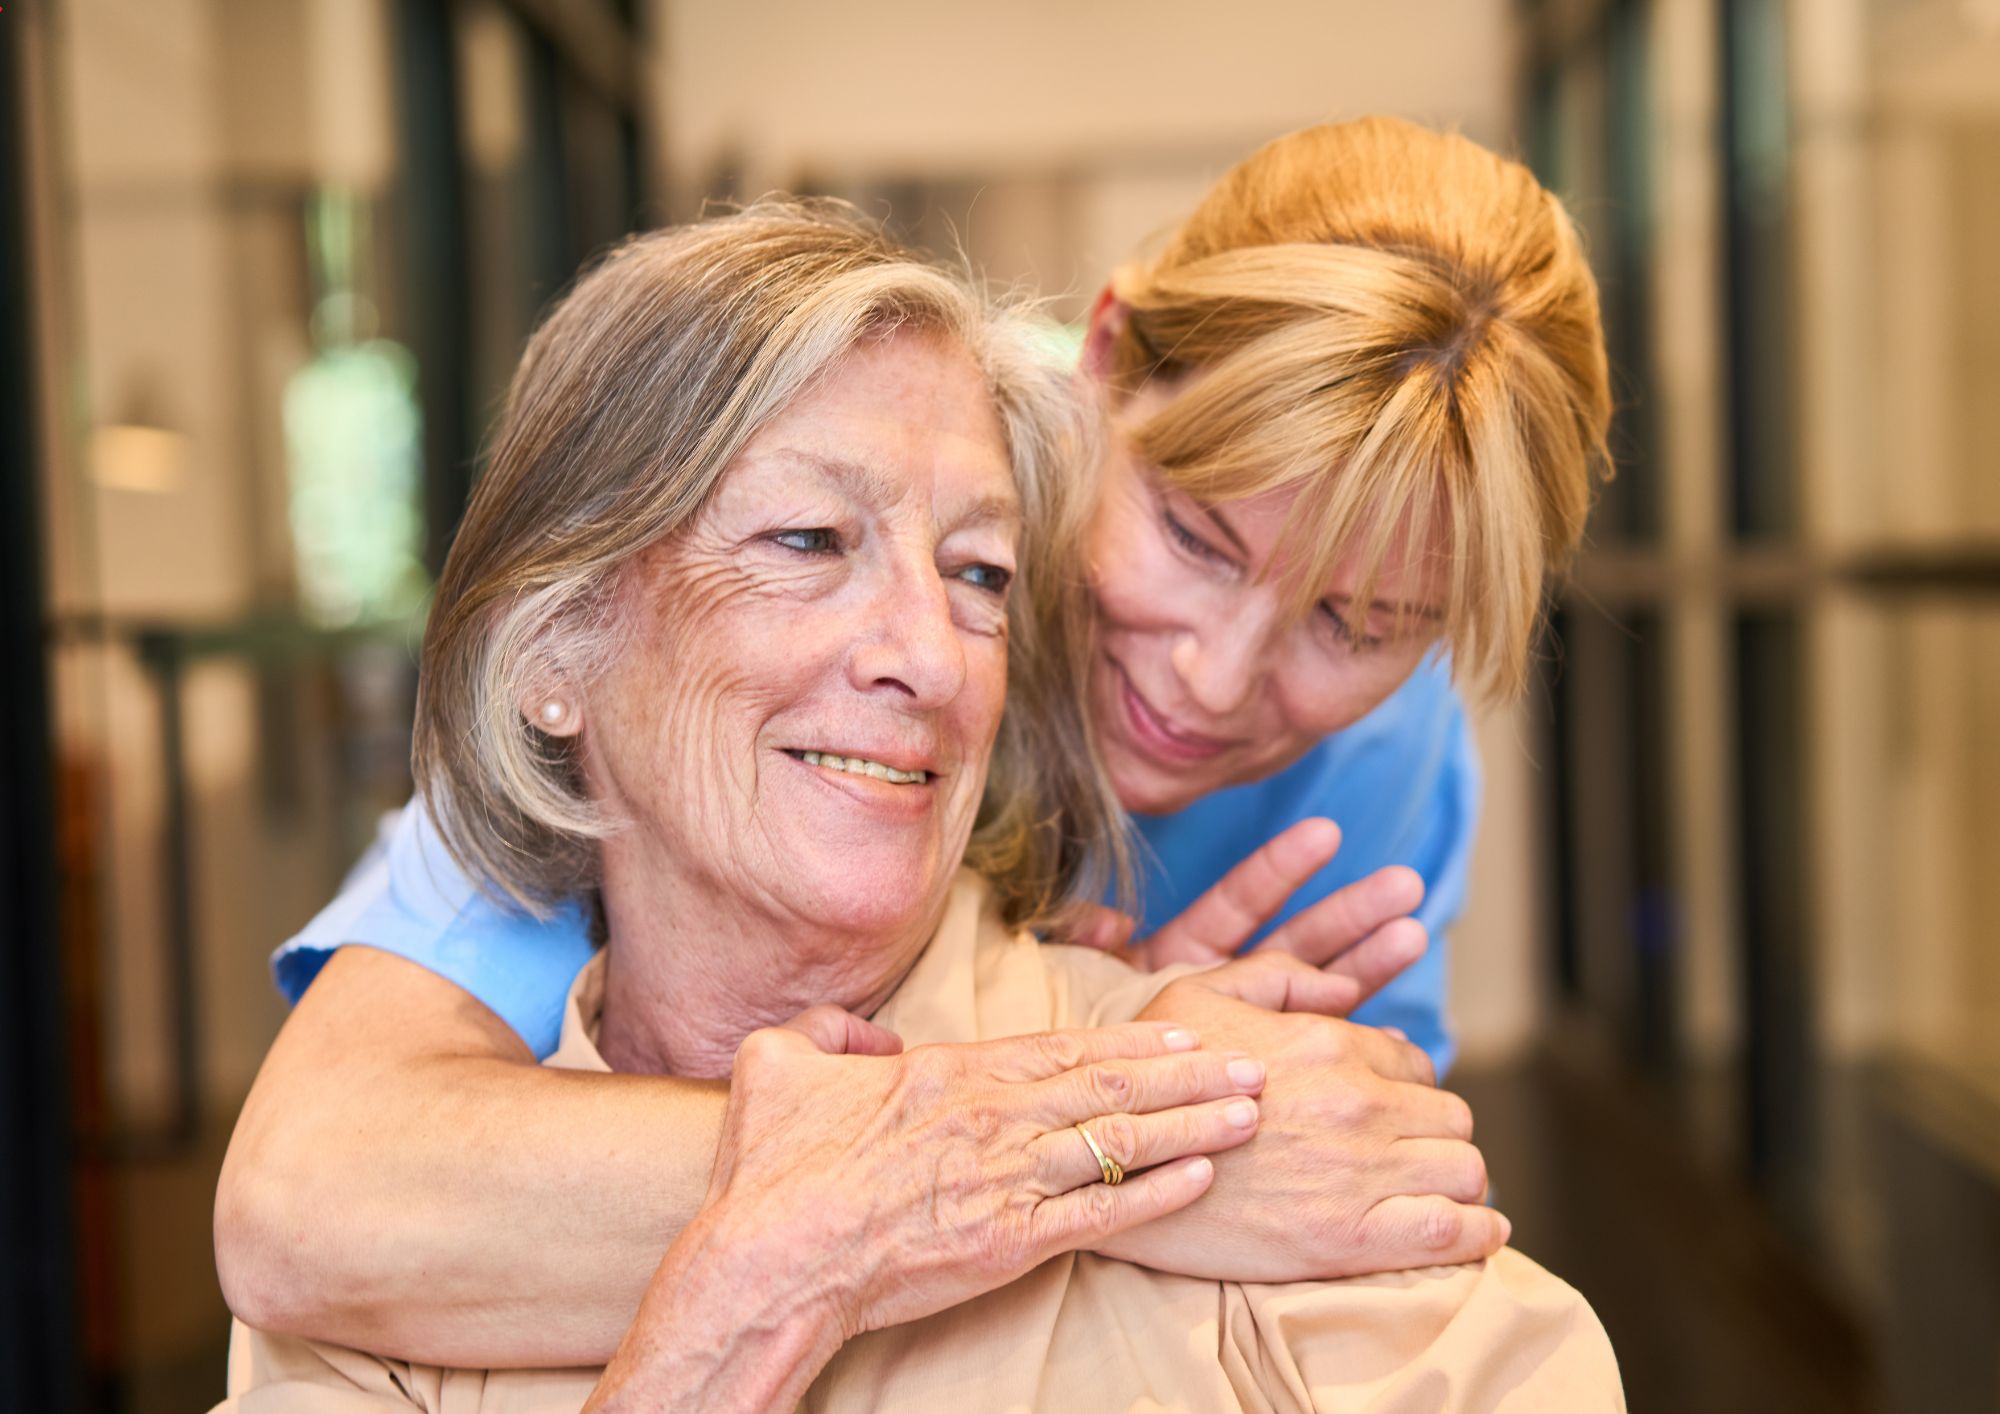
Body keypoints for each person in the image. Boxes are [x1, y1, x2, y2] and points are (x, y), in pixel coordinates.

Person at [215, 117, 1612, 1362]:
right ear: (1109, 362)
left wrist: (1118, 1055)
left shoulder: (1387, 756)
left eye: (1358, 623)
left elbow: (1353, 1199)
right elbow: (314, 1201)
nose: (1215, 673)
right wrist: (1116, 1124)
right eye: (1194, 535)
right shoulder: (663, 717)